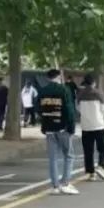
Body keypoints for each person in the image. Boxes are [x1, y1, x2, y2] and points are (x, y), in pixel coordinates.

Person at [37, 67, 78, 195]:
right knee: (69, 155)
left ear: (48, 78)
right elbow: (69, 110)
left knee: (53, 158)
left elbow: (38, 109)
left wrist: (44, 123)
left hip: (49, 128)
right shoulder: (64, 90)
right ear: (58, 77)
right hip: (62, 127)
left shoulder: (42, 91)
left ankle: (55, 186)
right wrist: (71, 127)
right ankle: (65, 183)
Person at [77, 74, 104, 181]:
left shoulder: (80, 95)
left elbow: (78, 109)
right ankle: (101, 166)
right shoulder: (99, 93)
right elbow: (103, 109)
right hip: (98, 125)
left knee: (88, 151)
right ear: (94, 83)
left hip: (86, 126)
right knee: (103, 149)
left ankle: (91, 173)